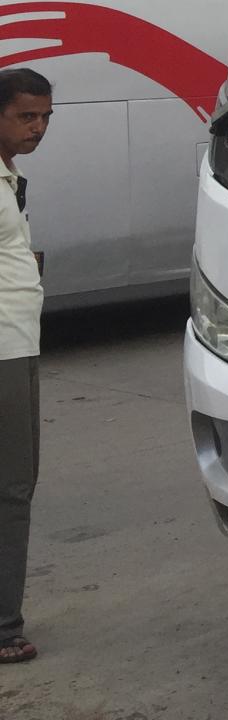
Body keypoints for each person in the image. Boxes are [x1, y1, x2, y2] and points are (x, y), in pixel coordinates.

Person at [0, 68, 53, 665]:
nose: (38, 128)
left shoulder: (9, 173)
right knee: (13, 487)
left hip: (18, 340)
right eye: (25, 117)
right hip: (5, 349)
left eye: (44, 118)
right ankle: (3, 627)